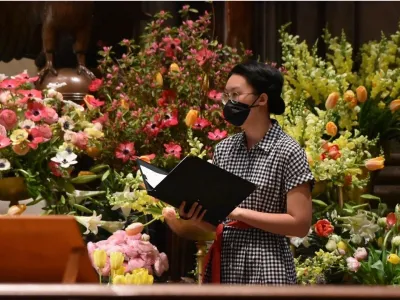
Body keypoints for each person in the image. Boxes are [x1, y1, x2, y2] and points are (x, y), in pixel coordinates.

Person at [162, 60, 314, 285]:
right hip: (227, 260)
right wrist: (196, 216)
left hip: (267, 263)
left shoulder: (288, 150)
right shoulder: (224, 149)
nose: (229, 102)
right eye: (226, 96)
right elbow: (217, 221)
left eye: (236, 94)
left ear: (261, 99)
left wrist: (238, 213)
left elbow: (300, 224)